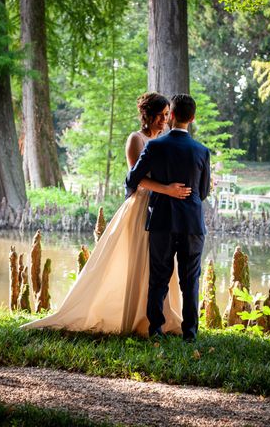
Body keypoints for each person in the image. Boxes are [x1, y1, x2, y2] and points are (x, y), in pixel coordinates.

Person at [20, 92, 189, 335]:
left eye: (166, 116)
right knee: (139, 262)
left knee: (159, 265)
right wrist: (166, 189)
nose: (164, 120)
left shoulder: (165, 141)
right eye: (161, 115)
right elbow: (137, 179)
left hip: (162, 209)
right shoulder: (136, 139)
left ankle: (159, 318)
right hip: (140, 208)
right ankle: (135, 319)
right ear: (148, 115)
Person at [125, 94, 211, 343]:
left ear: (171, 115)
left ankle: (156, 330)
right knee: (190, 279)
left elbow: (132, 179)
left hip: (162, 220)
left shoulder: (155, 146)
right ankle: (190, 333)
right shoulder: (202, 151)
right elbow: (203, 192)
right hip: (192, 224)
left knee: (159, 277)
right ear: (192, 118)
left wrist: (163, 188)